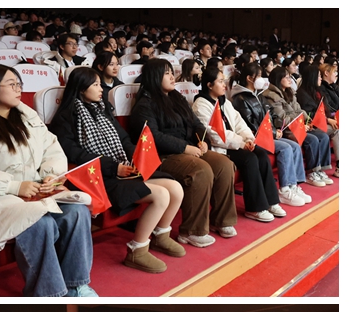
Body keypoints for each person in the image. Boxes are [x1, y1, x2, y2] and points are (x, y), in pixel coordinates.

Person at [0, 64, 97, 297]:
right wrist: (14, 186)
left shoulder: (28, 117)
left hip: (38, 192)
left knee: (77, 212)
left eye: (19, 84)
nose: (18, 89)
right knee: (40, 223)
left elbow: (52, 148)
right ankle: (49, 294)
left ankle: (76, 285)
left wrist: (51, 175)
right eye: (11, 84)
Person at [51, 67, 185, 273]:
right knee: (161, 195)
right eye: (96, 85)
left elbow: (124, 139)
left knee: (176, 189)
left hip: (122, 168)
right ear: (81, 89)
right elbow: (74, 154)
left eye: (100, 84)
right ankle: (137, 250)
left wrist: (135, 158)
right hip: (99, 177)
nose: (101, 89)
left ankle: (160, 236)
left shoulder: (103, 109)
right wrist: (114, 168)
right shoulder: (65, 117)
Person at [129, 59, 237, 248]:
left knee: (224, 164)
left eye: (172, 72)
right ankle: (191, 231)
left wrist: (202, 140)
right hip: (163, 156)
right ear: (154, 77)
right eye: (167, 73)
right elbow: (153, 137)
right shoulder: (145, 104)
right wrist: (185, 148)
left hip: (189, 149)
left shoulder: (177, 98)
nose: (173, 77)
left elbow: (196, 124)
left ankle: (222, 220)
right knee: (201, 170)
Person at [192, 68, 286, 222]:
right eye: (220, 81)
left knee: (261, 154)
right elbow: (215, 135)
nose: (224, 85)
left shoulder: (224, 102)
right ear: (209, 85)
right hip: (221, 148)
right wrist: (241, 143)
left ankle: (271, 201)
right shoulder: (200, 105)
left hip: (237, 143)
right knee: (250, 159)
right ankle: (255, 208)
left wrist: (248, 139)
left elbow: (239, 123)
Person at [231, 62, 312, 207]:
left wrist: (277, 128)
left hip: (269, 134)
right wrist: (273, 133)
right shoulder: (240, 99)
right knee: (285, 148)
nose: (262, 79)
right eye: (259, 76)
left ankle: (293, 185)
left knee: (294, 145)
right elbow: (250, 124)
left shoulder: (259, 95)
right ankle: (284, 189)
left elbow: (271, 115)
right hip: (257, 137)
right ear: (249, 78)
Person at [264, 66, 332, 187]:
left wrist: (308, 121)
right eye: (286, 77)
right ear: (278, 79)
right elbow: (281, 118)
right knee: (312, 139)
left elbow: (299, 110)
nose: (290, 79)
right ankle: (312, 172)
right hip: (286, 129)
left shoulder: (290, 92)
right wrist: (300, 124)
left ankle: (320, 169)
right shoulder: (271, 96)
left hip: (297, 126)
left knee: (323, 136)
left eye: (290, 77)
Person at [297, 64, 339, 178]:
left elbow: (327, 109)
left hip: (323, 123)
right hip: (313, 125)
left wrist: (330, 118)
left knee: (336, 129)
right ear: (312, 77)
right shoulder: (302, 94)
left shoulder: (318, 91)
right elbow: (309, 114)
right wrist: (327, 119)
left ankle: (329, 167)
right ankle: (337, 167)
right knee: (335, 131)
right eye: (319, 76)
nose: (321, 78)